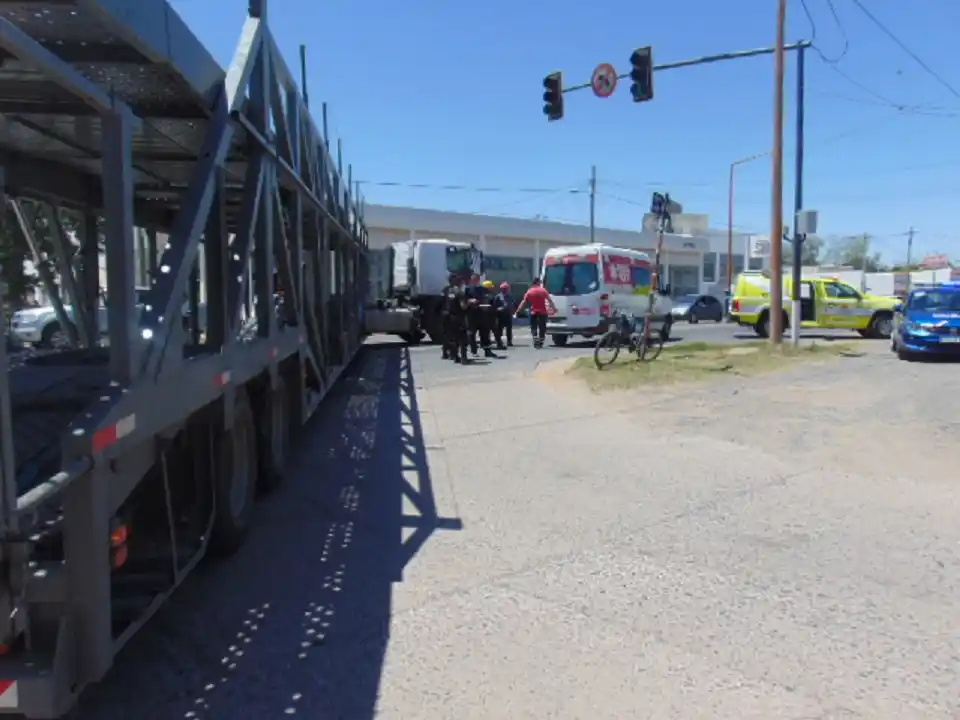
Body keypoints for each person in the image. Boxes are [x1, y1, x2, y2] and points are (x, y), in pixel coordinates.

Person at [514, 277, 556, 349]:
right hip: (542, 312)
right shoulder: (543, 290)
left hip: (534, 312)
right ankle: (541, 342)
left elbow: (523, 302)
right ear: (538, 282)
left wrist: (517, 311)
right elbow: (550, 300)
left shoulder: (529, 291)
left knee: (534, 327)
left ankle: (535, 340)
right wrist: (554, 309)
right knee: (542, 327)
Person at [464, 274, 496, 358]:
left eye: (477, 279)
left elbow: (488, 299)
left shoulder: (483, 289)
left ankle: (487, 350)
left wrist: (486, 304)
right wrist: (470, 300)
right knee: (471, 333)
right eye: (474, 279)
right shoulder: (467, 289)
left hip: (482, 314)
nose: (476, 281)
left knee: (485, 333)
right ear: (471, 280)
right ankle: (474, 351)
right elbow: (463, 300)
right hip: (471, 314)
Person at [441, 273, 468, 363]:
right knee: (463, 338)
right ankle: (464, 358)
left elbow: (440, 303)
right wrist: (469, 303)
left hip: (448, 317)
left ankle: (454, 356)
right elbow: (463, 306)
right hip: (458, 318)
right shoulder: (459, 292)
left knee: (452, 338)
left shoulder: (445, 290)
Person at [492, 281, 515, 349]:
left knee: (509, 329)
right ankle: (499, 341)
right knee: (499, 329)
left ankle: (509, 341)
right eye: (504, 288)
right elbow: (494, 307)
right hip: (501, 315)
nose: (505, 290)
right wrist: (499, 309)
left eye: (506, 288)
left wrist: (513, 310)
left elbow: (513, 304)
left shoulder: (510, 296)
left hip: (508, 314)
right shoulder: (498, 296)